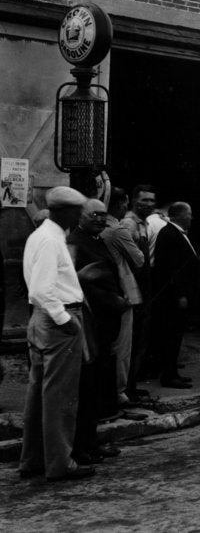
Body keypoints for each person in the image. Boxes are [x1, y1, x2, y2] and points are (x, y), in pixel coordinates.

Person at [18, 186, 96, 482]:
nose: (79, 217)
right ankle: (60, 463)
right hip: (57, 319)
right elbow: (42, 290)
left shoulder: (41, 236)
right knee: (60, 396)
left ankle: (34, 459)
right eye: (77, 212)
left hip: (41, 319)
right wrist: (66, 320)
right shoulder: (51, 240)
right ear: (64, 211)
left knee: (39, 394)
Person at [67, 199, 128, 463]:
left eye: (103, 215)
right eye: (94, 214)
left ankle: (91, 441)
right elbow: (78, 285)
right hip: (91, 323)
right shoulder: (75, 242)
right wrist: (113, 300)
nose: (100, 219)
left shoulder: (97, 239)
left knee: (97, 387)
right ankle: (83, 445)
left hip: (105, 323)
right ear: (80, 216)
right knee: (88, 388)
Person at [101, 187, 144, 404]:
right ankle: (120, 391)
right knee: (123, 345)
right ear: (120, 204)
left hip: (104, 290)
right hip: (123, 290)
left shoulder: (100, 227)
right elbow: (139, 259)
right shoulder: (118, 230)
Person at [151, 202, 199, 389]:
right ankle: (169, 376)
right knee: (171, 336)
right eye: (189, 214)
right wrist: (180, 294)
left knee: (176, 336)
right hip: (173, 297)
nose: (191, 218)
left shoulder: (177, 233)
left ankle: (173, 372)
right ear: (179, 215)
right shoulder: (169, 234)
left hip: (181, 294)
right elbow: (169, 269)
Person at [121, 184, 156, 397]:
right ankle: (127, 387)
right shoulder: (129, 224)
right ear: (134, 201)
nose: (149, 204)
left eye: (152, 200)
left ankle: (132, 384)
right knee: (132, 341)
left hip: (143, 288)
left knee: (140, 339)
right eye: (145, 200)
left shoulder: (144, 223)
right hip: (134, 287)